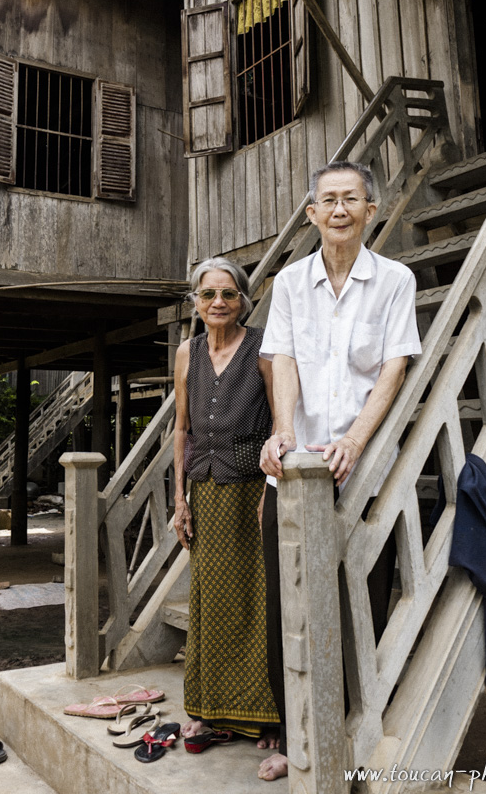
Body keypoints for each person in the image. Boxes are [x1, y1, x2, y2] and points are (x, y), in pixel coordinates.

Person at [258, 161, 422, 781]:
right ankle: (292, 734)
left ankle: (356, 730)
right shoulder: (292, 283)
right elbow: (283, 360)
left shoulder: (395, 281)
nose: (338, 210)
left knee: (363, 598)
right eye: (327, 200)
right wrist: (284, 433)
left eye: (351, 199)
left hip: (361, 466)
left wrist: (355, 439)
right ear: (311, 214)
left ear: (370, 210)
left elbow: (392, 367)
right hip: (295, 471)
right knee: (289, 600)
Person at [173, 256, 280, 747]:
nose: (218, 302)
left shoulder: (262, 347)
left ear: (242, 300)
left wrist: (271, 490)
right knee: (210, 600)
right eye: (208, 294)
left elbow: (281, 423)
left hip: (253, 491)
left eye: (229, 294)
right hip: (205, 492)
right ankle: (209, 708)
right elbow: (182, 429)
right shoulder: (187, 352)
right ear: (195, 302)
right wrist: (180, 497)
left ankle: (266, 717)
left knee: (260, 599)